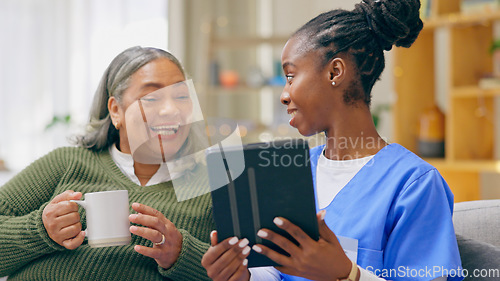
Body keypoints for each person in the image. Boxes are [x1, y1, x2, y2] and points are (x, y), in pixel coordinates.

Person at [202, 0, 463, 280]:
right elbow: (278, 272)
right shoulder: (289, 171)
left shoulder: (414, 183)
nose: (284, 94)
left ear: (334, 72)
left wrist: (347, 274)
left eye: (291, 76)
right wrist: (242, 276)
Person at [0, 46, 216, 280]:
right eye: (151, 98)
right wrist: (39, 230)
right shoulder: (66, 163)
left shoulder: (214, 186)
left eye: (182, 97)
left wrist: (182, 254)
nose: (170, 109)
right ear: (116, 111)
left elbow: (246, 271)